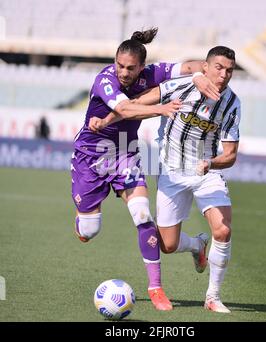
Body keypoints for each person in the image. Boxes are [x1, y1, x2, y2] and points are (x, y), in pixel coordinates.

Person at [71, 27, 220, 311]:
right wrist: (160, 110)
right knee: (88, 231)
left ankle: (156, 288)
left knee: (142, 214)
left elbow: (188, 65)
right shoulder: (105, 79)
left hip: (124, 152)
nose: (123, 72)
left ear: (142, 67)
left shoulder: (152, 74)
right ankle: (85, 220)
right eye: (119, 65)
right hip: (90, 157)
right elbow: (125, 109)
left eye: (130, 68)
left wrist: (199, 75)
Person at [98, 46, 240, 314]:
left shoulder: (232, 104)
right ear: (205, 67)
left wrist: (210, 163)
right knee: (167, 244)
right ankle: (197, 245)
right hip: (172, 173)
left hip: (206, 172)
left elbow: (230, 155)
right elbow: (140, 100)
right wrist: (106, 119)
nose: (223, 75)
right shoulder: (181, 86)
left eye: (229, 70)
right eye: (218, 68)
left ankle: (213, 297)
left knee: (222, 230)